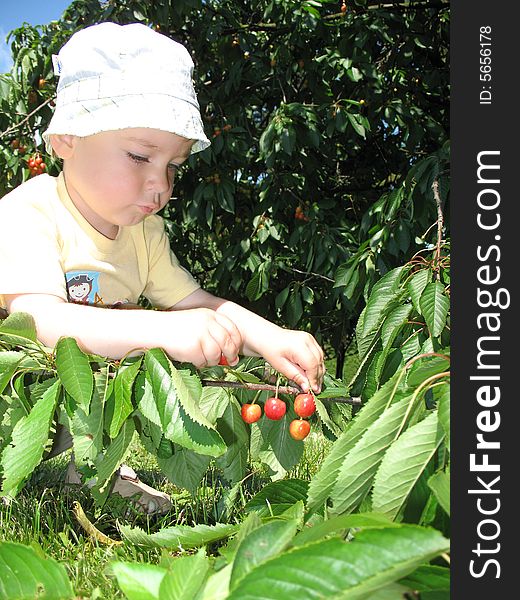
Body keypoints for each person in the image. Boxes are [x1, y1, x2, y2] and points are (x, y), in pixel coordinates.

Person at [0, 22, 325, 514]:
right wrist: (164, 329)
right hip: (13, 391)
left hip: (66, 394)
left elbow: (196, 304)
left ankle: (88, 467)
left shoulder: (143, 234)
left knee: (104, 377)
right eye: (139, 156)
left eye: (173, 166)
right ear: (66, 138)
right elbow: (42, 324)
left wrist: (270, 337)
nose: (160, 185)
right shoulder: (30, 211)